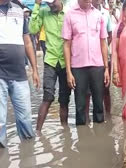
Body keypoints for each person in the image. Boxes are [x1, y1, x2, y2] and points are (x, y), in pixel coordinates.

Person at [62, 0, 110, 126]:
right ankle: (82, 139)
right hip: (78, 67)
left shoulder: (99, 15)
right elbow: (67, 45)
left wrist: (106, 68)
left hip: (97, 66)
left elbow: (103, 42)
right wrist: (68, 72)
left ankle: (100, 137)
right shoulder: (70, 15)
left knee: (99, 105)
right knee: (80, 106)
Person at [0, 0, 40, 148]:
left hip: (19, 73)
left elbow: (27, 42)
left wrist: (34, 69)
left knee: (25, 118)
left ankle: (29, 154)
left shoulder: (19, 10)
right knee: (0, 121)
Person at [29, 0, 71, 131]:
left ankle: (65, 132)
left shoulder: (69, 13)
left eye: (53, 2)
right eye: (48, 3)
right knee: (47, 97)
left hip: (66, 62)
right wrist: (36, 5)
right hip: (50, 60)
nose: (51, 5)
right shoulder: (43, 12)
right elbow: (32, 29)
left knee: (64, 100)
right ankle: (38, 133)